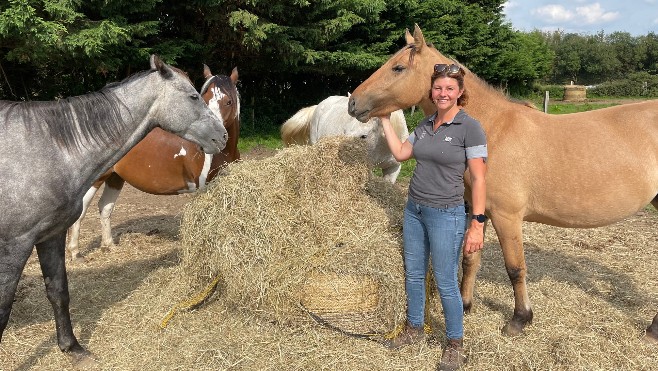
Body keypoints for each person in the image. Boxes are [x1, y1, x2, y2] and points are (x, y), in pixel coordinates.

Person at [378, 63, 487, 371]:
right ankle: (414, 328)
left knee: (445, 281)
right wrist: (384, 119)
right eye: (438, 88)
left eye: (449, 88)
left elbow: (479, 179)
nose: (443, 93)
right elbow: (400, 153)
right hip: (415, 209)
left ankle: (454, 343)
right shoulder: (425, 125)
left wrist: (476, 224)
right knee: (413, 273)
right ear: (432, 91)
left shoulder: (470, 128)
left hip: (447, 215)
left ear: (460, 92)